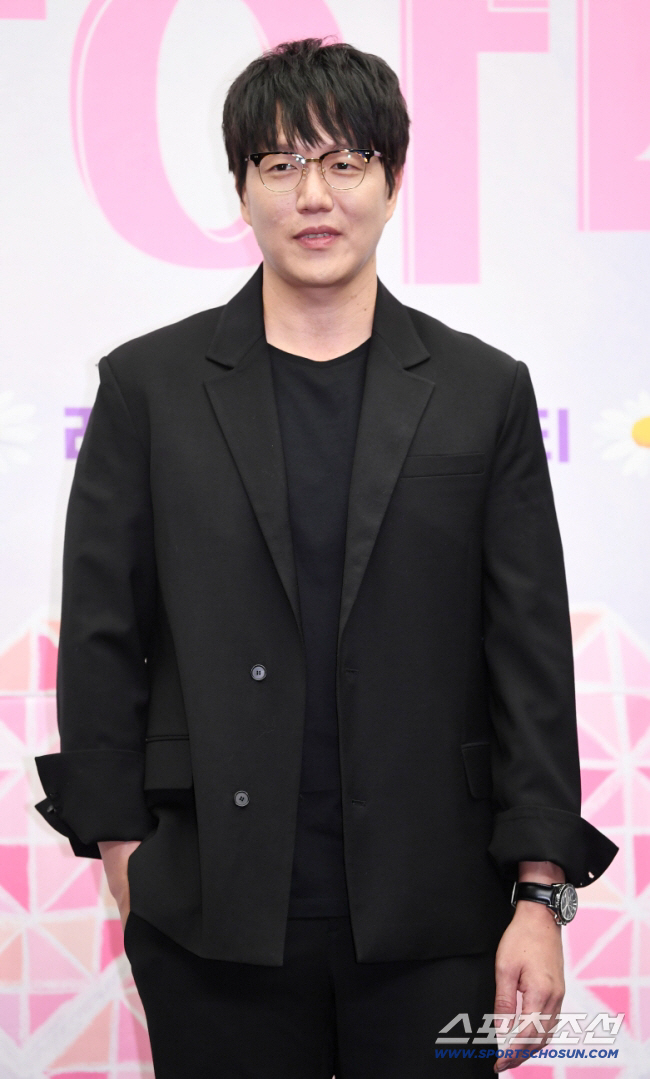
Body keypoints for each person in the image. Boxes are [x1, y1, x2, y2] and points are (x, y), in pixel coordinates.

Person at [35, 38, 617, 1079]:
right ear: (242, 189)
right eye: (281, 164)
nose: (314, 195)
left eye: (345, 162)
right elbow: (102, 636)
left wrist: (539, 894)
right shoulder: (148, 389)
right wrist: (126, 856)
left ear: (392, 183)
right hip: (211, 910)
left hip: (439, 909)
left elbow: (528, 656)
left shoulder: (480, 391)